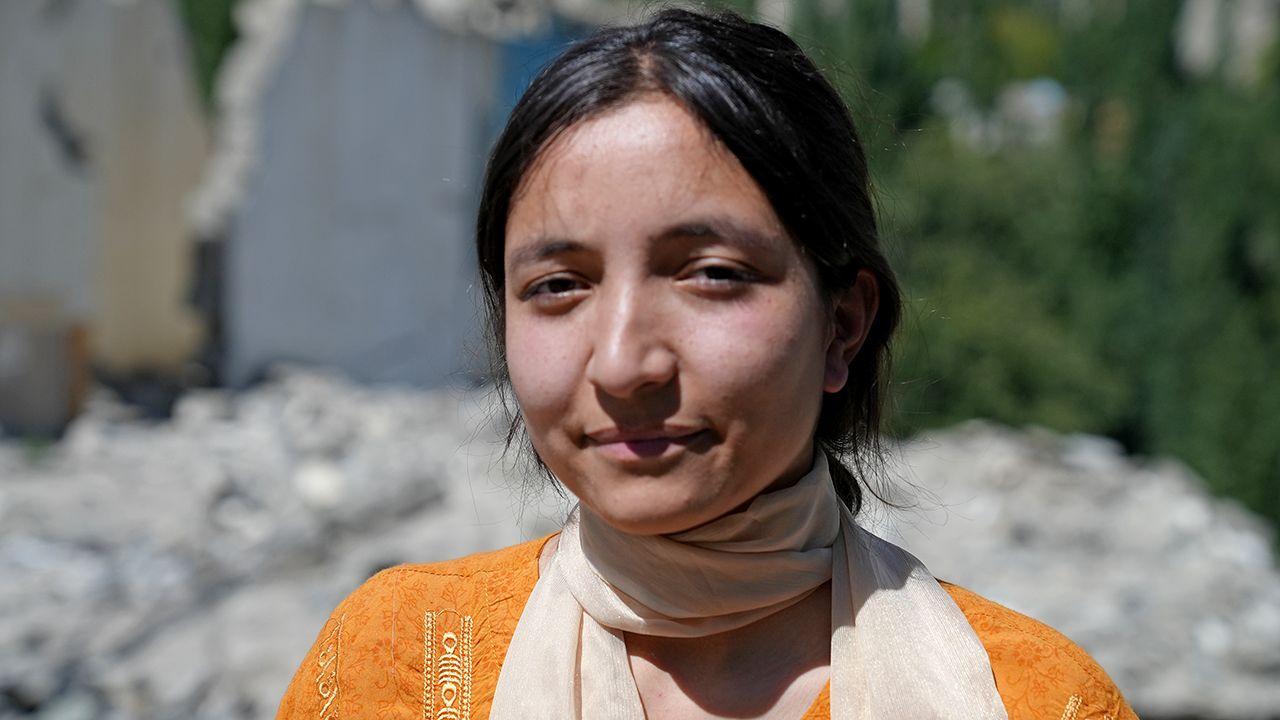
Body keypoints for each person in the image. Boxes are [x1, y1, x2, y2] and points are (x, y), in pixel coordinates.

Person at [275, 8, 1138, 720]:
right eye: (558, 286)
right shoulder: (396, 666)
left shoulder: (1036, 697)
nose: (622, 364)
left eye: (712, 275)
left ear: (842, 326)